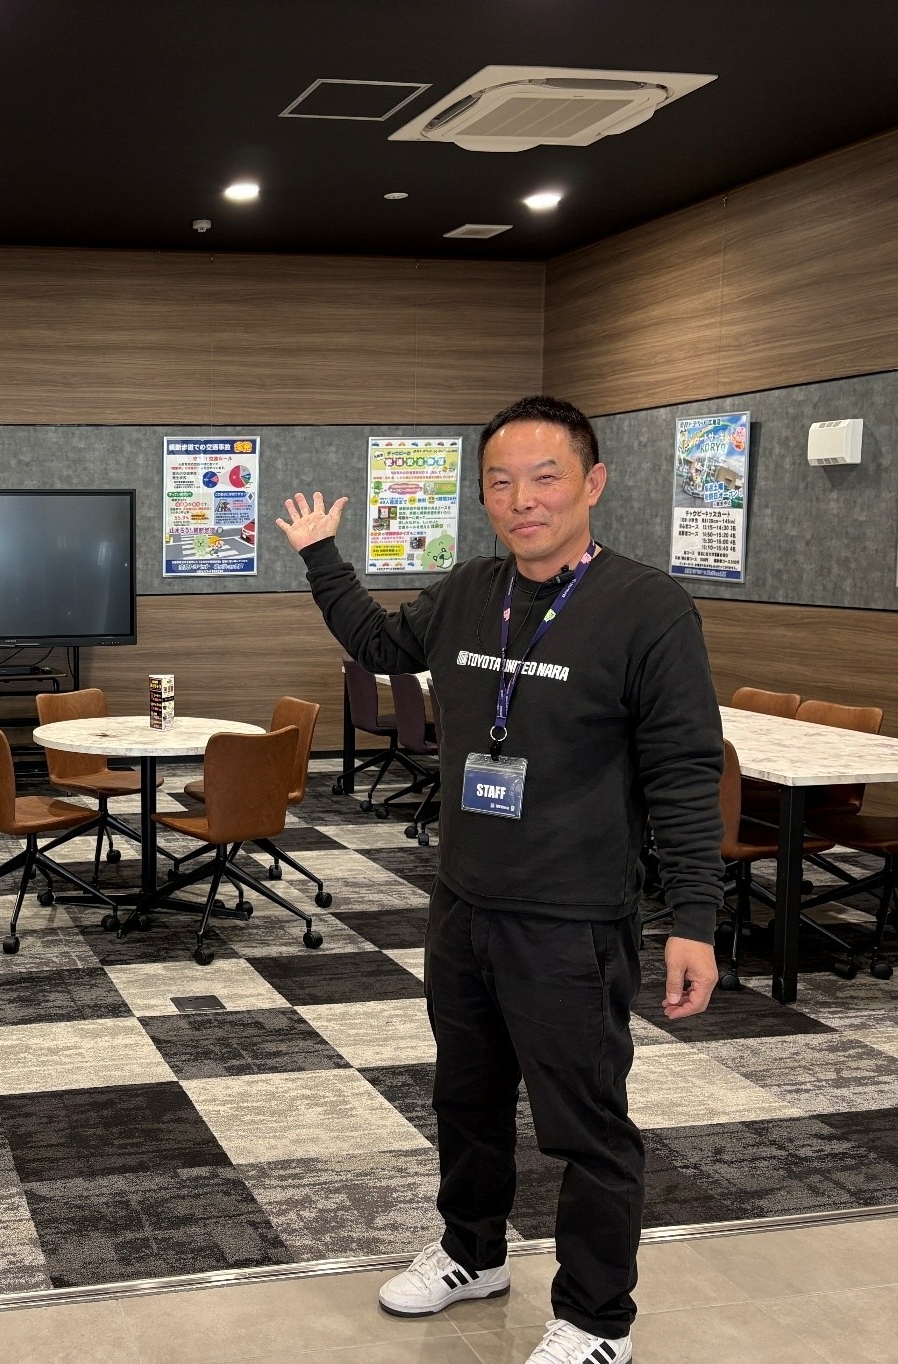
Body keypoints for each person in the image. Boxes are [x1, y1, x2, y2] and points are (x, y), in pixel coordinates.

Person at [277, 395, 722, 1364]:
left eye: (544, 477)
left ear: (592, 483)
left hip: (571, 916)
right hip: (464, 900)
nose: (522, 499)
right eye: (500, 482)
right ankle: (470, 1251)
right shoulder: (471, 589)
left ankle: (597, 1319)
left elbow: (684, 770)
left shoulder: (647, 608)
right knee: (465, 1099)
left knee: (583, 1125)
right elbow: (383, 645)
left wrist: (693, 914)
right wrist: (321, 558)